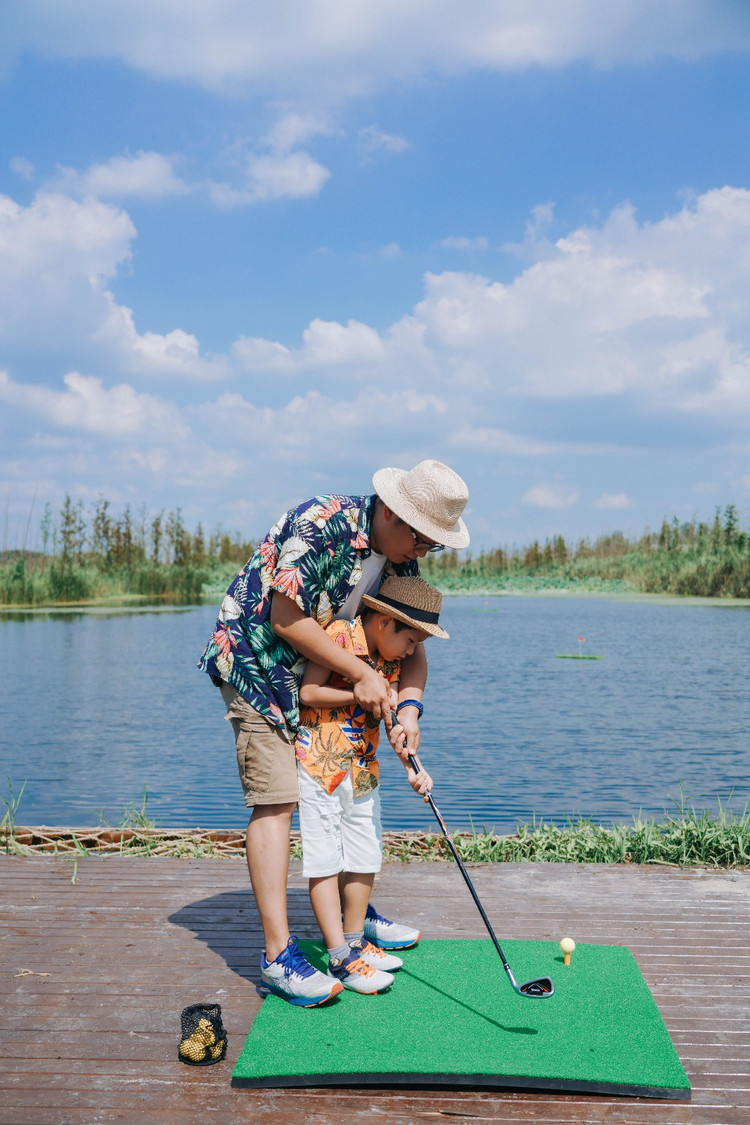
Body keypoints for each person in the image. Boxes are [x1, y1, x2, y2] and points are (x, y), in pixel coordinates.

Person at [198, 459, 469, 1007]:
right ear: (392, 512)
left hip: (326, 684)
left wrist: (409, 710)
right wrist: (365, 676)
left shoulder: (401, 561)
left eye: (433, 546)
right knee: (276, 800)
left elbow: (412, 652)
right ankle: (278, 956)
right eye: (422, 538)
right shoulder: (320, 523)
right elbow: (285, 619)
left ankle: (352, 919)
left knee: (352, 800)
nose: (423, 552)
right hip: (259, 667)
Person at [295, 576, 446, 995]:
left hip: (363, 769)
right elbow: (309, 690)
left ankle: (358, 942)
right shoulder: (339, 635)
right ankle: (340, 956)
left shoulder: (393, 664)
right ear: (382, 623)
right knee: (325, 859)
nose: (413, 652)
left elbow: (395, 720)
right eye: (411, 641)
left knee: (365, 853)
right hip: (320, 765)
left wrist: (414, 768)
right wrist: (356, 694)